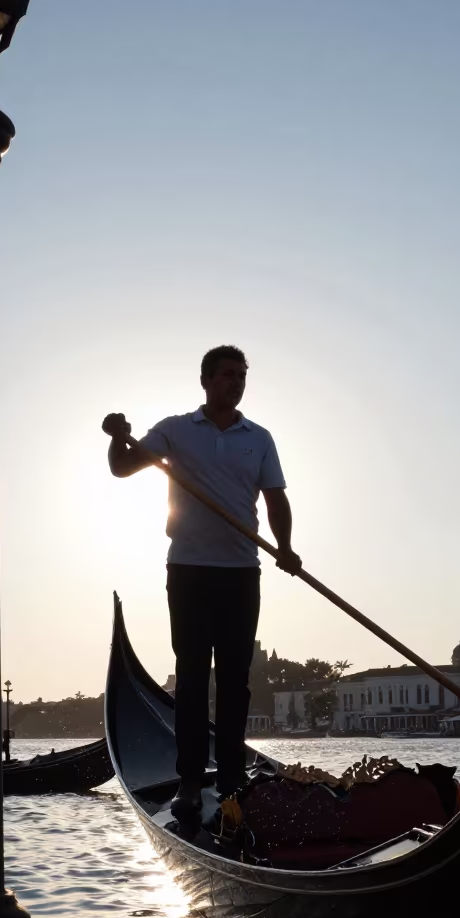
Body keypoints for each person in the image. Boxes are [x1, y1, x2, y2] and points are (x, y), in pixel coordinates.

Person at [103, 344, 301, 823]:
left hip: (241, 572)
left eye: (241, 376)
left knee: (235, 681)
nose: (236, 382)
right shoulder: (175, 430)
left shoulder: (260, 438)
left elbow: (275, 500)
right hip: (189, 570)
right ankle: (190, 782)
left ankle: (233, 777)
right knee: (192, 677)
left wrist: (286, 547)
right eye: (228, 375)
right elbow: (123, 466)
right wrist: (118, 436)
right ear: (207, 381)